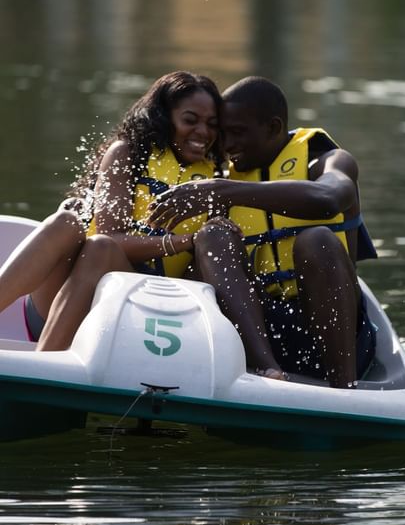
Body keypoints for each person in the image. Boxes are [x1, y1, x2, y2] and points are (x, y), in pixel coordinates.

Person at [148, 76, 378, 388]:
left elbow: (329, 199)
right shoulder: (224, 181)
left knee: (317, 240)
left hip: (339, 337)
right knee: (213, 235)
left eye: (238, 133)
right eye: (223, 134)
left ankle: (343, 388)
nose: (227, 146)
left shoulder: (324, 158)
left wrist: (224, 190)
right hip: (264, 335)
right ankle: (268, 371)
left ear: (272, 127)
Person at [0, 71, 227, 350]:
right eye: (190, 120)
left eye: (213, 124)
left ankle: (46, 368)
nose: (203, 132)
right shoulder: (128, 153)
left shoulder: (219, 178)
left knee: (100, 248)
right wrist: (184, 242)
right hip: (63, 303)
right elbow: (111, 238)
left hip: (144, 315)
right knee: (69, 224)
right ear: (163, 117)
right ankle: (47, 362)